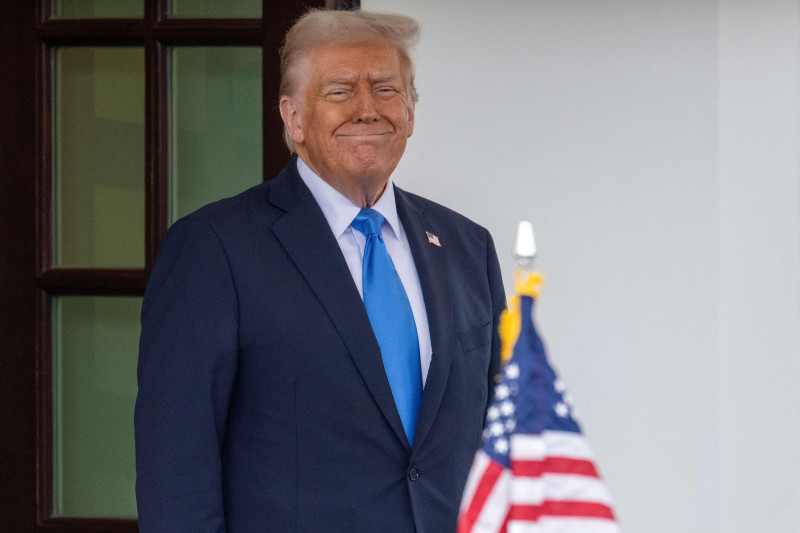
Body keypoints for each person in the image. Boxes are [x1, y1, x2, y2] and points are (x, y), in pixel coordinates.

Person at [135, 9, 505, 533]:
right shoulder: (215, 248)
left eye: (385, 89)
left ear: (411, 112)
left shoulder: (468, 247)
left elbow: (498, 440)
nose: (366, 109)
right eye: (338, 91)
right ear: (294, 118)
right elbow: (175, 464)